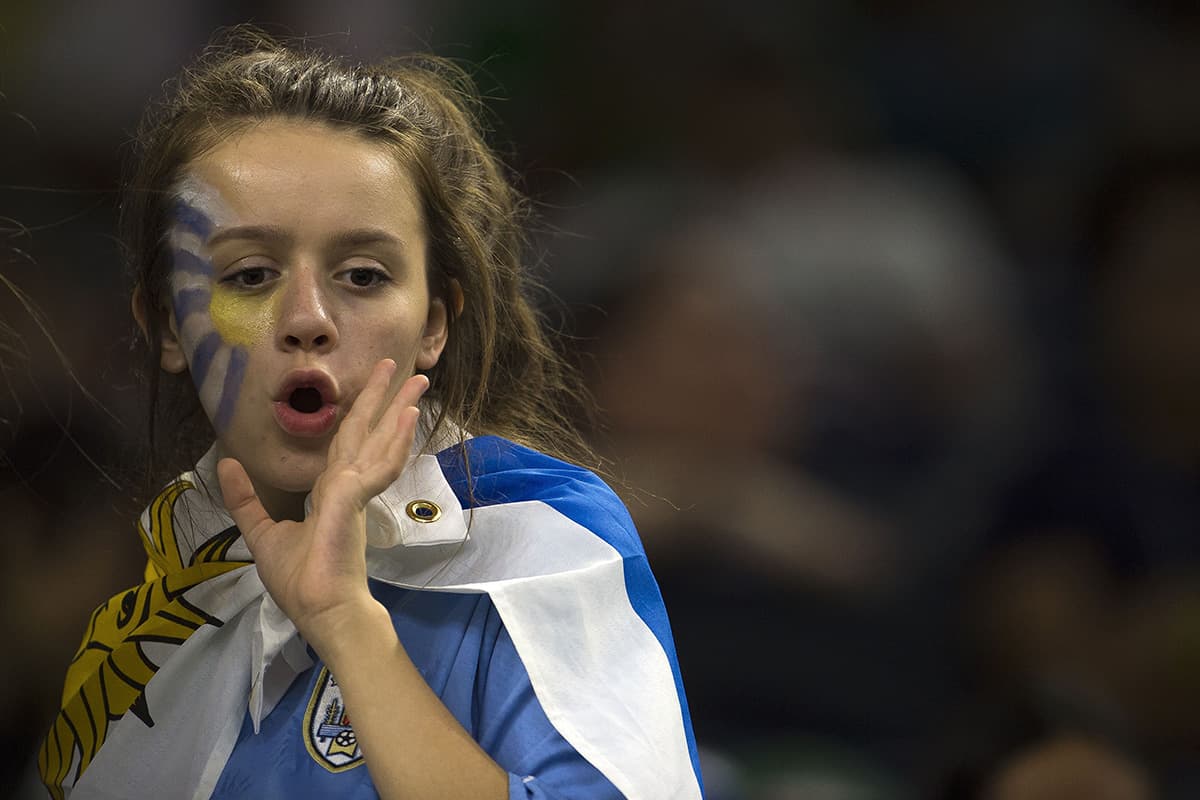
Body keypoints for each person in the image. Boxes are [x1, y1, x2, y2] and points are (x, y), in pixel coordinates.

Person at [37, 27, 703, 800]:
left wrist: (347, 624)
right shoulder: (146, 627)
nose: (307, 317)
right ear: (164, 325)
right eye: (250, 275)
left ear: (433, 325)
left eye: (362, 274)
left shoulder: (542, 538)